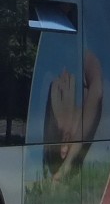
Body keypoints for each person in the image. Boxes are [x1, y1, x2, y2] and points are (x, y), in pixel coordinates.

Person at [43, 49, 103, 182]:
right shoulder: (93, 97)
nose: (64, 73)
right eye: (60, 93)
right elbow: (97, 92)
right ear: (64, 145)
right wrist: (68, 162)